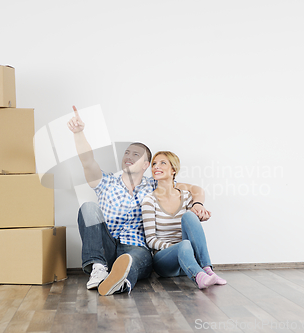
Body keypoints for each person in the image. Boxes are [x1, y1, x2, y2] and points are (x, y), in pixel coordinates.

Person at [67, 106, 208, 295]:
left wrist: (198, 204)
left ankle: (121, 281)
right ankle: (99, 269)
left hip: (136, 247)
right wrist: (79, 133)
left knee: (133, 261)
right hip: (105, 246)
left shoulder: (155, 186)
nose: (129, 157)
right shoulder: (106, 182)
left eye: (136, 154)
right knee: (88, 208)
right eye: (127, 153)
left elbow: (194, 189)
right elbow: (87, 161)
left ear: (145, 165)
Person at [142, 151, 227, 289]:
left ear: (173, 170)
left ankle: (207, 270)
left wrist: (200, 215)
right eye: (154, 164)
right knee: (184, 244)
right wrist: (177, 248)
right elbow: (150, 240)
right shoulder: (149, 200)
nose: (156, 166)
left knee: (189, 216)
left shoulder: (186, 196)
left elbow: (191, 224)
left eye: (163, 163)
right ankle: (199, 277)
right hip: (165, 262)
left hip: (188, 259)